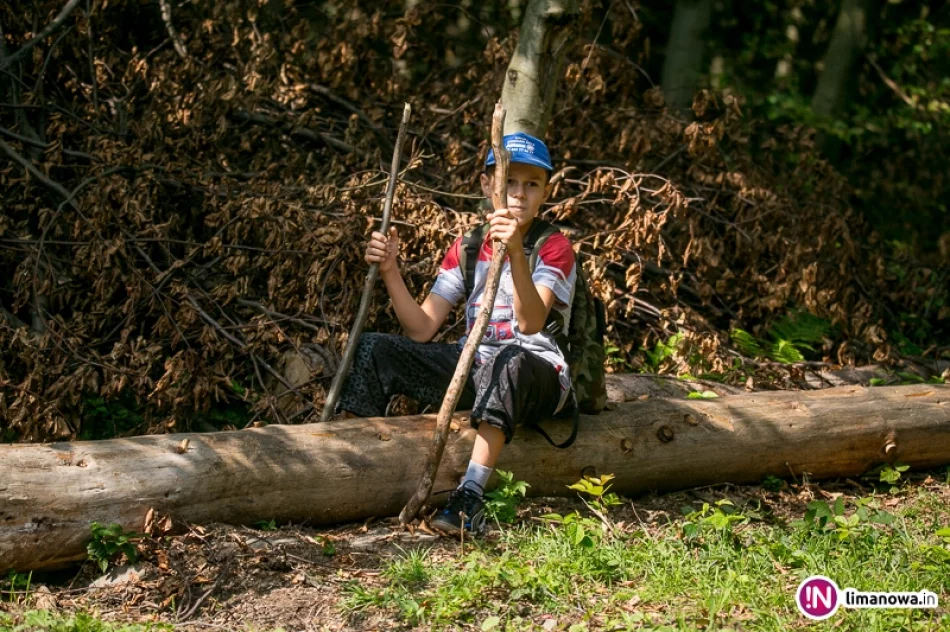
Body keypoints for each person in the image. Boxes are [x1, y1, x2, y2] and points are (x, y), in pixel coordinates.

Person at [335, 132, 577, 534]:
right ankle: (348, 463)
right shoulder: (468, 247)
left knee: (508, 359)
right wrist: (391, 271)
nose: (518, 194)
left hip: (536, 375)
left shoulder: (553, 247)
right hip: (475, 366)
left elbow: (530, 324)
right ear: (487, 186)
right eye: (508, 182)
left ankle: (470, 497)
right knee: (374, 348)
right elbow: (422, 328)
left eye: (531, 184)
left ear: (545, 191)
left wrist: (517, 252)